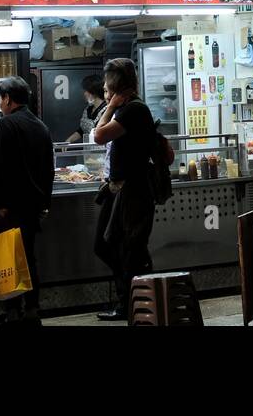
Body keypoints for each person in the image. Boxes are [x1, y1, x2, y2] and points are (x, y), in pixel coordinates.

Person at [92, 58, 157, 322]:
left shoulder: (133, 110)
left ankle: (131, 303)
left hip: (134, 191)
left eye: (108, 86)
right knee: (106, 245)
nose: (106, 90)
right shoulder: (127, 109)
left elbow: (99, 136)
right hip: (118, 189)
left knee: (129, 249)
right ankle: (133, 296)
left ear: (117, 86)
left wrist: (110, 106)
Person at [0, 76, 53, 325]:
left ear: (7, 99)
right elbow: (49, 168)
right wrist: (44, 202)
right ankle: (32, 308)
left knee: (10, 258)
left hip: (12, 205)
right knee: (28, 256)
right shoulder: (40, 125)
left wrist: (1, 205)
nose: (0, 105)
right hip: (34, 204)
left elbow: (3, 168)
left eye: (0, 99)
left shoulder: (6, 125)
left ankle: (13, 312)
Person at [65, 74, 107, 143]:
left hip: (101, 151)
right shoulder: (88, 109)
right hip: (88, 151)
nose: (84, 93)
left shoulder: (106, 110)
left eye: (86, 91)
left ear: (93, 92)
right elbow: (82, 130)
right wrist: (69, 140)